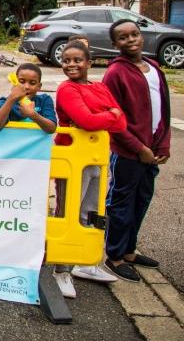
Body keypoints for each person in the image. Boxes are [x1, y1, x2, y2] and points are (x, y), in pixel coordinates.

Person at [52, 41, 127, 295]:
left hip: (96, 159)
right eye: (66, 60)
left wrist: (102, 118)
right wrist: (109, 114)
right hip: (73, 160)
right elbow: (86, 120)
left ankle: (84, 262)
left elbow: (121, 123)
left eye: (77, 60)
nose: (71, 65)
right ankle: (61, 270)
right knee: (68, 212)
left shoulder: (99, 87)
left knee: (91, 212)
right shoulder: (66, 89)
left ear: (89, 63)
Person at [102, 19, 171, 283]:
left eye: (135, 34)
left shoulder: (153, 67)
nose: (131, 40)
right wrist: (138, 147)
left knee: (142, 200)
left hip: (152, 150)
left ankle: (130, 250)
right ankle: (115, 255)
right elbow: (113, 119)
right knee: (121, 204)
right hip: (127, 152)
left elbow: (163, 108)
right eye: (123, 37)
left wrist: (162, 143)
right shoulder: (115, 73)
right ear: (114, 44)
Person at [0, 63, 56, 134]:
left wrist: (33, 115)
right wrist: (11, 99)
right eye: (21, 82)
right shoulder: (5, 101)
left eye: (32, 83)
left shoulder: (44, 100)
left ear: (39, 86)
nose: (26, 86)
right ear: (15, 83)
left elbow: (52, 128)